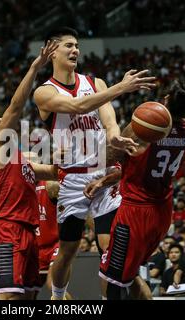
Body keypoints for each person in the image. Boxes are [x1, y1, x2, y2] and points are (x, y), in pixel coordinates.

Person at [33, 26, 156, 300]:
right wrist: (120, 88)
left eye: (77, 45)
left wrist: (116, 139)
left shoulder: (96, 82)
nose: (75, 50)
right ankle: (58, 295)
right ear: (52, 50)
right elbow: (78, 107)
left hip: (103, 174)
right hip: (72, 179)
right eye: (68, 45)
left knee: (109, 247)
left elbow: (109, 122)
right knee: (68, 250)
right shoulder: (44, 93)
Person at [85, 80, 185, 299]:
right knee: (131, 274)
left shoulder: (145, 124)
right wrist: (109, 180)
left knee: (111, 278)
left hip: (135, 212)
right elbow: (171, 166)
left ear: (165, 100)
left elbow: (109, 157)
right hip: (163, 211)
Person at [0, 41, 59, 300]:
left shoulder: (23, 160)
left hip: (31, 233)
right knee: (9, 298)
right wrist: (35, 67)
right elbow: (15, 106)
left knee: (29, 297)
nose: (4, 123)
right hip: (7, 231)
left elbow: (54, 171)